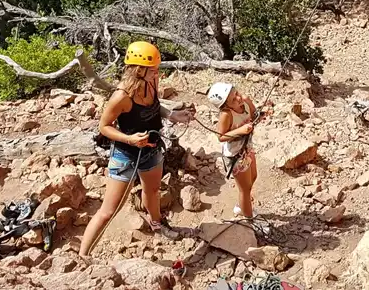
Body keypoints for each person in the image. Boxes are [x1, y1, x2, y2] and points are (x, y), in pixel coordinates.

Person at [79, 41, 182, 257]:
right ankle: (83, 255)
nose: (157, 73)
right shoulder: (121, 96)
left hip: (151, 150)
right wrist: (129, 139)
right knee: (109, 211)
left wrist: (171, 115)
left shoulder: (151, 83)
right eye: (153, 69)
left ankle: (157, 223)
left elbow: (155, 106)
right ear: (139, 70)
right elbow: (104, 127)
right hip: (126, 156)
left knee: (152, 190)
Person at [207, 82, 258, 219]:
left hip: (247, 148)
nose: (238, 98)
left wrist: (264, 113)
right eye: (233, 100)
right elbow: (221, 136)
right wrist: (240, 130)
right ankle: (249, 219)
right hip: (235, 155)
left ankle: (242, 204)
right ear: (226, 106)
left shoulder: (246, 102)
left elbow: (255, 116)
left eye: (236, 93)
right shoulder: (226, 114)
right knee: (245, 189)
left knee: (253, 176)